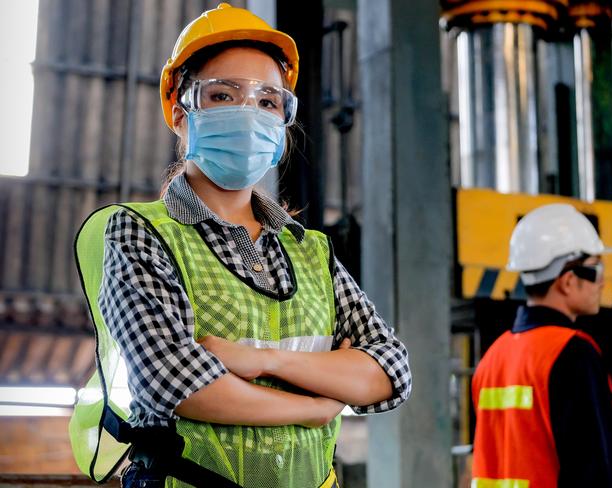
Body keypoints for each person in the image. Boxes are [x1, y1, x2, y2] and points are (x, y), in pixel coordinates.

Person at [70, 4, 411, 488]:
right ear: (178, 112)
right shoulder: (140, 234)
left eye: (269, 102)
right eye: (223, 95)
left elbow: (390, 371)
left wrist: (264, 361)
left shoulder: (310, 251)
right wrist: (317, 405)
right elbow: (179, 383)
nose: (248, 114)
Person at [471, 203, 612, 488]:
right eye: (596, 269)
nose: (603, 281)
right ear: (568, 281)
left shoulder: (492, 358)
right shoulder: (572, 353)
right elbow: (596, 470)